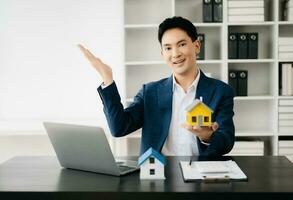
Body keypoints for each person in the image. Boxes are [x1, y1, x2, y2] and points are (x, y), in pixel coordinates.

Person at [78, 16, 235, 156]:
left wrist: (208, 136)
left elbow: (226, 142)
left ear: (197, 46)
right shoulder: (150, 92)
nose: (175, 54)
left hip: (201, 176)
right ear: (162, 54)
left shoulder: (221, 91)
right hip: (159, 175)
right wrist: (107, 78)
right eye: (168, 48)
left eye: (181, 44)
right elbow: (119, 128)